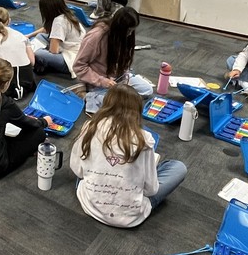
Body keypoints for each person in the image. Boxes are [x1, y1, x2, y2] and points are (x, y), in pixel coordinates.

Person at [70, 85, 187, 227]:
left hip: (90, 204)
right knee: (178, 168)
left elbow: (77, 170)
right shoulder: (144, 139)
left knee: (86, 165)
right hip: (130, 218)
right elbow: (151, 190)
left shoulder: (90, 126)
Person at [73, 6, 153, 111]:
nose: (130, 34)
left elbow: (122, 62)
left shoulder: (123, 36)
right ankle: (85, 95)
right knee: (115, 105)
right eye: (128, 30)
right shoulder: (97, 36)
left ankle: (113, 98)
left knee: (147, 90)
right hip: (98, 82)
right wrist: (103, 81)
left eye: (132, 30)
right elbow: (79, 66)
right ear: (119, 27)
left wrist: (124, 75)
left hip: (117, 79)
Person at [30, 0, 84, 77]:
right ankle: (36, 57)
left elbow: (54, 51)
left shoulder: (59, 21)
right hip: (76, 52)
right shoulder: (66, 15)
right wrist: (28, 36)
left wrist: (42, 49)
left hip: (71, 60)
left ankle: (37, 60)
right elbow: (46, 29)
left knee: (38, 53)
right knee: (40, 36)